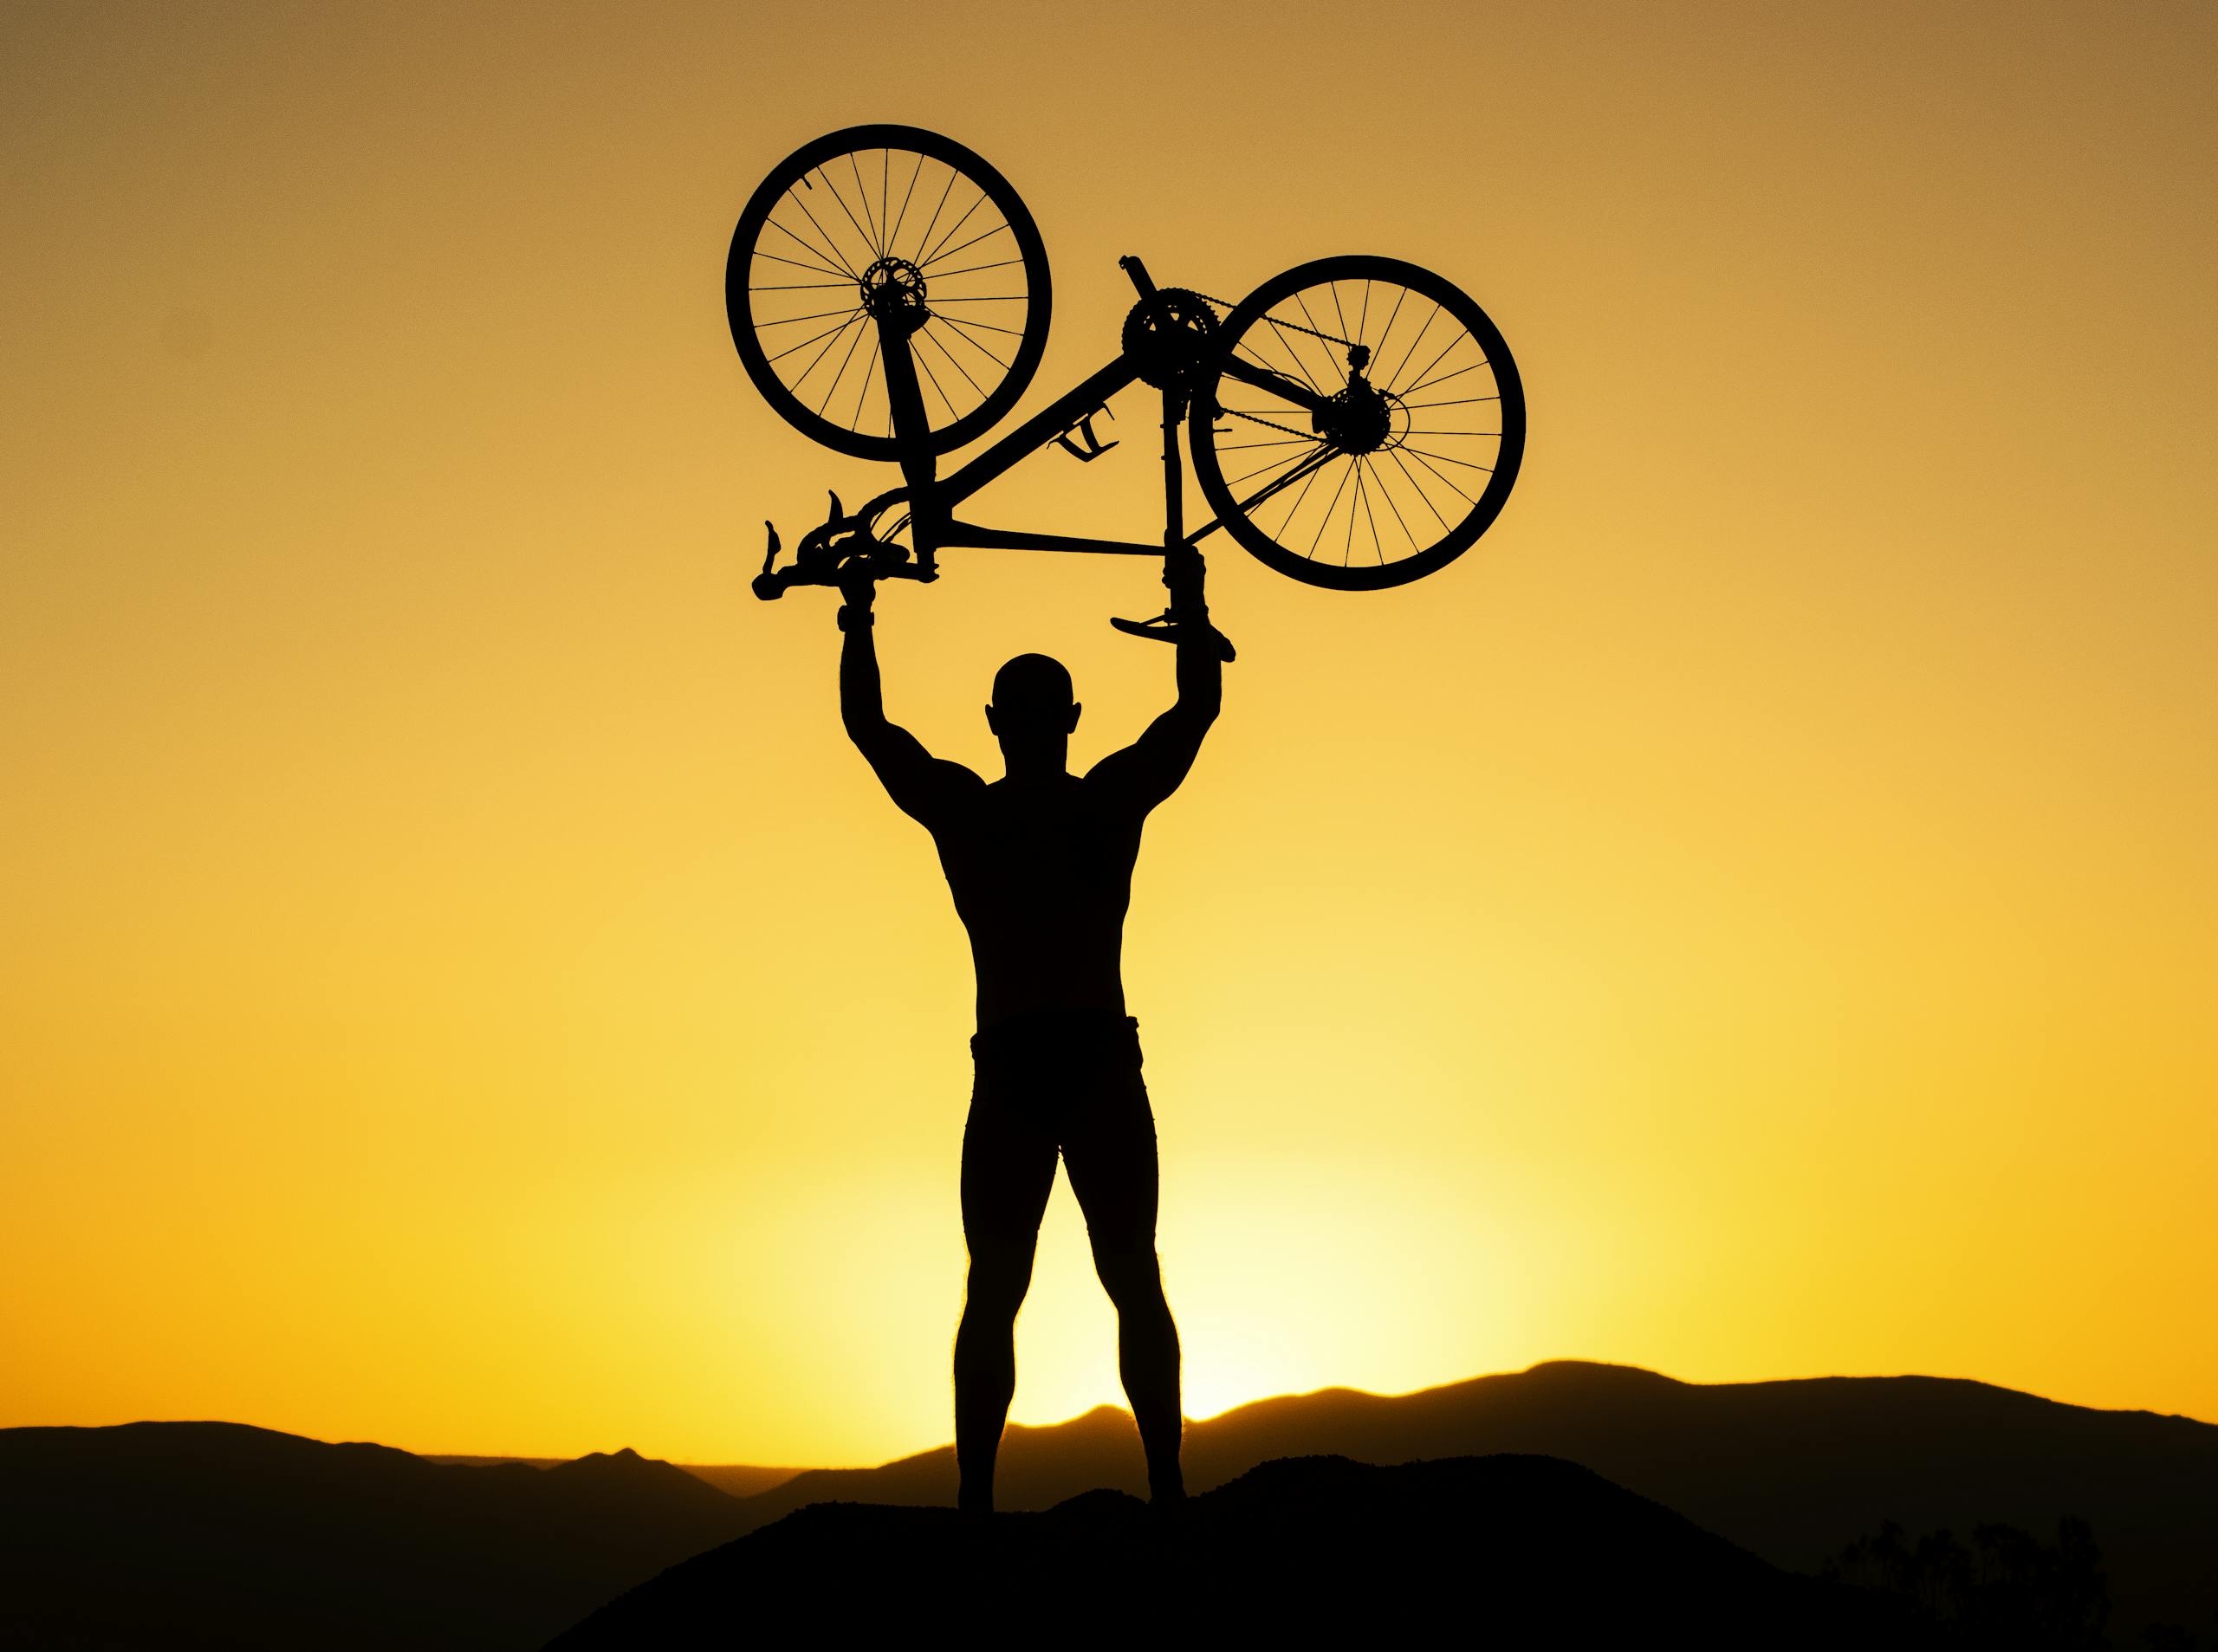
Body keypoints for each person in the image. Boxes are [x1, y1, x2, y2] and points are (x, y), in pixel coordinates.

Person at [835, 549, 1227, 1513]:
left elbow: (871, 731)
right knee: (1126, 1272)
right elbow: (1193, 715)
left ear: (998, 725)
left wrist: (858, 619)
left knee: (1002, 1284)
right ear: (1070, 721)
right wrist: (1189, 605)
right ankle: (1165, 1487)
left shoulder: (973, 812)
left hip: (1021, 1060)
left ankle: (979, 1498)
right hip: (1086, 1055)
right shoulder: (1103, 802)